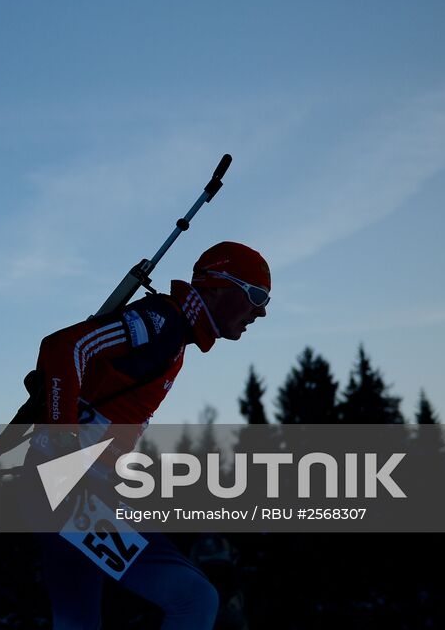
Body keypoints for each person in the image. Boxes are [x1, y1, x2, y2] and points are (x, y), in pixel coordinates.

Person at [31, 240, 270, 630]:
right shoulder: (162, 321)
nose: (261, 311)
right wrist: (62, 452)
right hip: (69, 490)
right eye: (256, 295)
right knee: (194, 599)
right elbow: (63, 346)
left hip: (64, 487)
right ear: (218, 285)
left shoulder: (173, 335)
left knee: (78, 621)